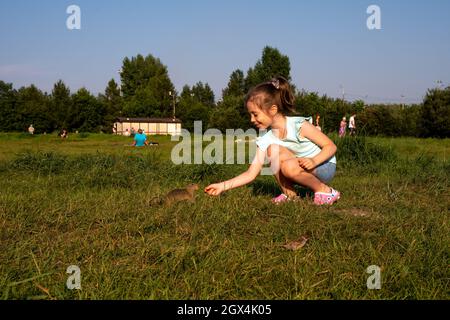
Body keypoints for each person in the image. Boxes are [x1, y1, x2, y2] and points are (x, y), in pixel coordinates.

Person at [205, 76, 340, 205]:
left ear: (273, 109)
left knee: (288, 167)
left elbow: (331, 146)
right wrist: (222, 186)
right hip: (299, 167)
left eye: (255, 114)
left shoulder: (299, 125)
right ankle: (290, 195)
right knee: (272, 150)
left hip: (324, 165)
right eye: (250, 115)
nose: (252, 120)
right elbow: (251, 173)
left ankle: (325, 191)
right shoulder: (266, 138)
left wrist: (313, 161)